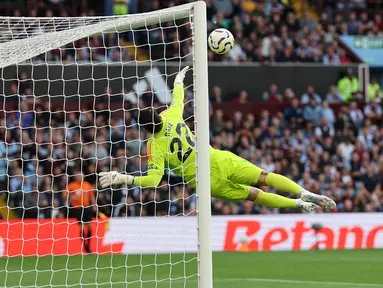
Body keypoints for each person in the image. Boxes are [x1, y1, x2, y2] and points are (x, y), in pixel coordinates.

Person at [100, 67, 336, 212]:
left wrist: (123, 178)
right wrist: (179, 81)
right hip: (215, 158)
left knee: (255, 196)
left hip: (204, 180)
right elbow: (178, 99)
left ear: (145, 129)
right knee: (264, 177)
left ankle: (298, 205)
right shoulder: (170, 115)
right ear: (157, 114)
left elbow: (153, 180)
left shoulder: (154, 145)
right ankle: (301, 191)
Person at [63, 171, 96, 254]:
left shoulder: (87, 185)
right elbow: (64, 195)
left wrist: (94, 205)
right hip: (77, 208)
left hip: (87, 207)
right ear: (75, 177)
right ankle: (85, 247)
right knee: (81, 227)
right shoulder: (72, 185)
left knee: (90, 227)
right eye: (78, 176)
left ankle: (88, 245)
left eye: (81, 176)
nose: (80, 178)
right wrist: (71, 197)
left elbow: (91, 196)